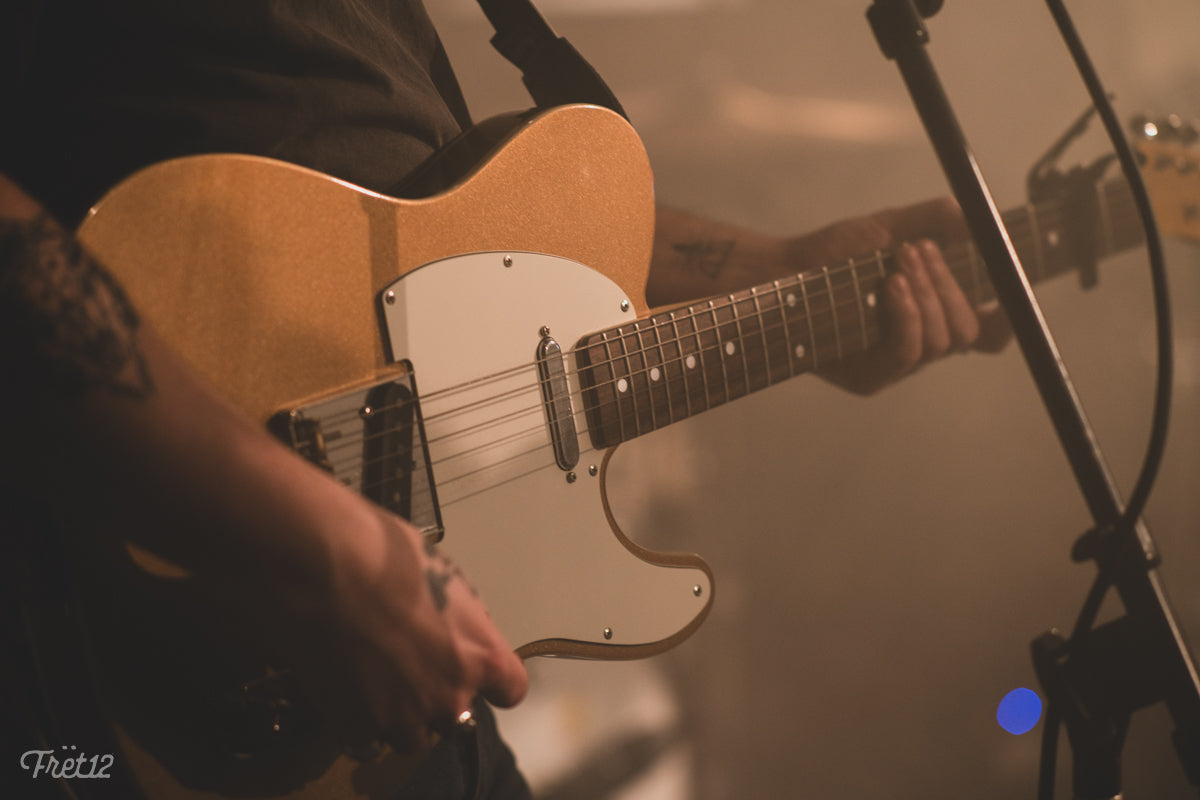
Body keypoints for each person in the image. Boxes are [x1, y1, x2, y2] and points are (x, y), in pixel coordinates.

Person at [1, 2, 1007, 798]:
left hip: (367, 720)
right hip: (110, 675)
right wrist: (316, 543)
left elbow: (473, 223)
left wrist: (785, 270)